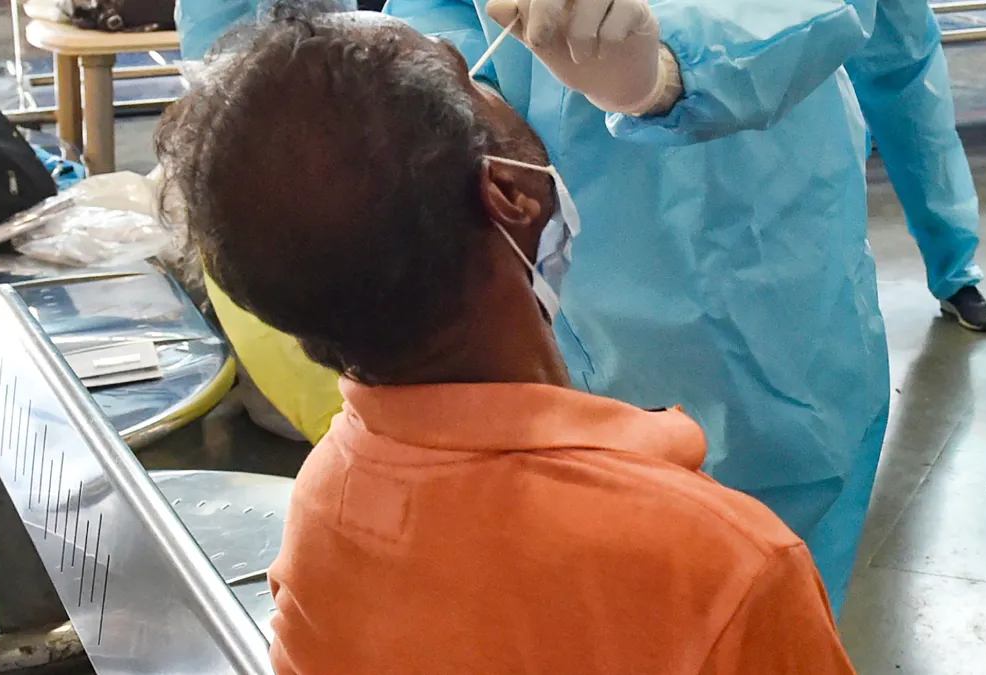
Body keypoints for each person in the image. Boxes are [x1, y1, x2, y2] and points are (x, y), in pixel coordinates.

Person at [155, 9, 858, 673]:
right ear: (512, 195)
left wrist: (667, 71)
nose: (507, 83)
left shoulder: (325, 502)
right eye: (472, 78)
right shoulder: (728, 560)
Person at [380, 0, 891, 616]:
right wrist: (462, 99)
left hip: (751, 231)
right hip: (543, 244)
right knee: (600, 579)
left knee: (768, 580)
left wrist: (669, 71)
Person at [847, 0, 986, 332]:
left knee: (924, 139)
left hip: (894, 23)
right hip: (798, 23)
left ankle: (955, 276)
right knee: (815, 161)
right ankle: (818, 295)